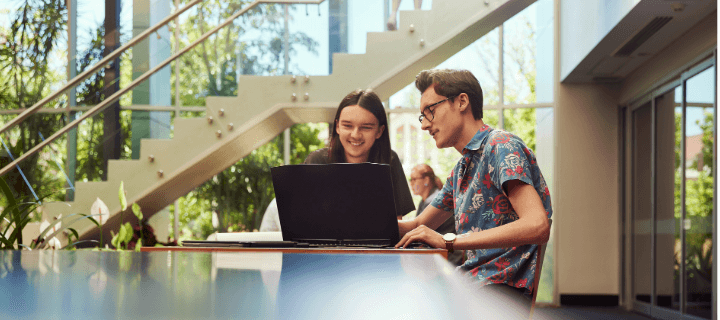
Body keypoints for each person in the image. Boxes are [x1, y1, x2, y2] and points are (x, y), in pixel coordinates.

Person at [396, 69, 552, 316]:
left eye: (430, 111)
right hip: (473, 284)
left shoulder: (501, 145)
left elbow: (537, 225)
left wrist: (450, 240)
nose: (425, 124)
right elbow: (417, 224)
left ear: (461, 101)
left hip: (499, 293)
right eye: (422, 116)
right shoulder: (461, 169)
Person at [304, 89, 415, 219]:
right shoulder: (317, 161)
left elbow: (396, 223)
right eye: (347, 126)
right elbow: (306, 217)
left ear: (380, 131)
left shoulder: (390, 160)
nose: (356, 135)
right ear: (338, 127)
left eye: (366, 127)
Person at [410, 163, 464, 266]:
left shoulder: (434, 201)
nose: (411, 183)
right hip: (436, 256)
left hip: (447, 259)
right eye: (410, 180)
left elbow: (417, 231)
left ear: (426, 180)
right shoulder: (424, 201)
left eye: (414, 179)